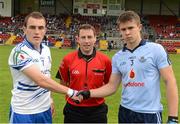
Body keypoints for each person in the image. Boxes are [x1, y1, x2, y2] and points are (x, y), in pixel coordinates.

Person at [77, 11, 179, 123]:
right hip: (125, 111)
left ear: (139, 27)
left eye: (131, 28)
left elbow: (170, 81)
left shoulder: (156, 49)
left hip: (149, 113)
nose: (127, 32)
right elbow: (112, 86)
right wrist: (88, 93)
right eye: (123, 29)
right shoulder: (118, 57)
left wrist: (173, 117)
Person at [8, 11, 80, 123]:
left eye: (41, 28)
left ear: (45, 30)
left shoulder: (46, 50)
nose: (37, 32)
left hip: (44, 110)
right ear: (24, 29)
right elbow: (40, 80)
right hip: (23, 112)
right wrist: (71, 92)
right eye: (32, 27)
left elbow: (46, 75)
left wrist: (50, 99)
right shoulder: (19, 52)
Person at [56, 24, 112, 123]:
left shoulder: (105, 60)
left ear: (95, 38)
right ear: (78, 39)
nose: (86, 41)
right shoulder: (67, 59)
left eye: (90, 37)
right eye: (83, 37)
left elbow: (109, 85)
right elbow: (63, 84)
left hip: (97, 111)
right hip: (73, 110)